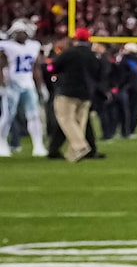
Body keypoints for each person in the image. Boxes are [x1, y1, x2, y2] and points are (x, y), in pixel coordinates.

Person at [47, 29, 103, 164]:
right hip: (87, 93)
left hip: (68, 91)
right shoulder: (92, 55)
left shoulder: (70, 53)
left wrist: (50, 66)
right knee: (79, 122)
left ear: (75, 39)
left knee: (66, 119)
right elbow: (99, 72)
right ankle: (72, 153)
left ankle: (80, 146)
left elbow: (52, 67)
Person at [0, 20, 39, 156]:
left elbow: (35, 67)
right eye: (17, 32)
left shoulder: (34, 46)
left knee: (34, 116)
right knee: (8, 116)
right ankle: (2, 143)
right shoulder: (6, 46)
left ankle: (38, 145)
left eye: (22, 32)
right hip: (12, 84)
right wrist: (2, 84)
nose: (20, 34)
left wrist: (41, 86)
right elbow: (1, 65)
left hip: (28, 84)